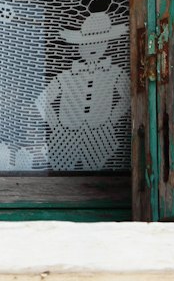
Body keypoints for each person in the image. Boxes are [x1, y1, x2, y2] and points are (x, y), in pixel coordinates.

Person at [34, 10, 131, 171]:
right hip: (66, 137)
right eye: (86, 43)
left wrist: (110, 120)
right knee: (61, 179)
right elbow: (42, 100)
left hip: (98, 134)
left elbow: (129, 97)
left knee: (100, 182)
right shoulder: (66, 76)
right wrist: (56, 125)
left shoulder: (114, 72)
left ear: (106, 44)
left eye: (99, 42)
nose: (92, 47)